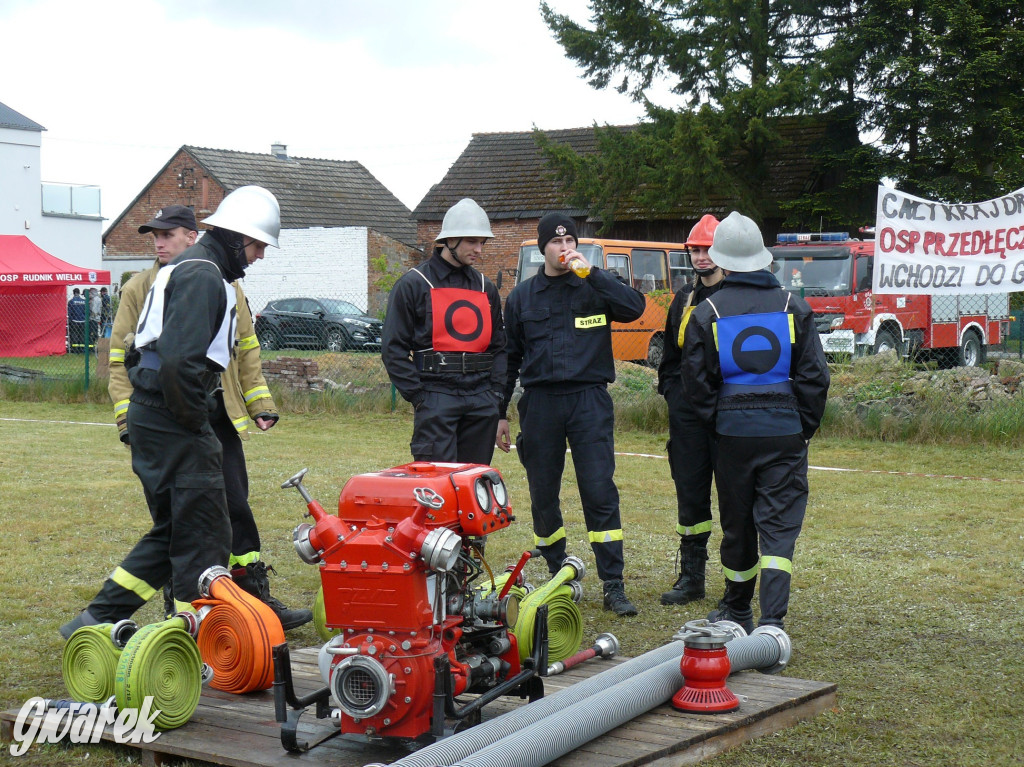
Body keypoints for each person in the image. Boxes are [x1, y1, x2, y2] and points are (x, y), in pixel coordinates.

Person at [60, 186, 296, 639]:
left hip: (154, 413)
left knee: (172, 530)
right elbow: (179, 363)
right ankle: (197, 638)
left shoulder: (192, 269)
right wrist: (195, 425)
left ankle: (95, 619)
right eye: (257, 245)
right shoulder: (204, 276)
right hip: (173, 417)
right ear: (236, 238)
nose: (260, 256)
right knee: (203, 533)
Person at [681, 211, 830, 633]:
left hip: (732, 435)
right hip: (785, 432)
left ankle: (738, 610)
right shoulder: (793, 306)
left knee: (738, 524)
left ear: (721, 260)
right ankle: (773, 620)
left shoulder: (706, 311)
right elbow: (815, 377)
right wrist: (802, 428)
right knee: (779, 529)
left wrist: (718, 424)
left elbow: (696, 384)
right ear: (763, 258)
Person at [496, 213, 646, 616]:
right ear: (542, 248)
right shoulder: (522, 297)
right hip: (540, 403)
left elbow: (634, 308)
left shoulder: (596, 285)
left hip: (588, 401)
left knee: (599, 491)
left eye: (570, 242)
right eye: (556, 243)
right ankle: (557, 571)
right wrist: (500, 413)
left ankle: (613, 584)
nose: (564, 249)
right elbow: (509, 359)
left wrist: (592, 274)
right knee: (543, 492)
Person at [382, 198, 506, 464]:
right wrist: (419, 397)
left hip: (481, 399)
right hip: (435, 396)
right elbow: (393, 349)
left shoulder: (486, 288)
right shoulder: (413, 284)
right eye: (472, 241)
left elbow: (499, 347)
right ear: (450, 240)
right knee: (437, 480)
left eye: (482, 242)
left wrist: (495, 394)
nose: (479, 249)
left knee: (473, 481)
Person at [657, 214, 724, 606]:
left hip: (727, 412)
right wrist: (674, 396)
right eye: (695, 250)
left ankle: (737, 583)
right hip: (687, 416)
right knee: (691, 496)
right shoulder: (683, 297)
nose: (701, 257)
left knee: (734, 498)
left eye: (708, 249)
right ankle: (692, 578)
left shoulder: (737, 296)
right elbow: (669, 358)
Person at [67, 288, 86, 352]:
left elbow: (69, 312)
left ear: (74, 293)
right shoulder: (84, 301)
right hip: (83, 321)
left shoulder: (71, 302)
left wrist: (71, 320)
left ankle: (75, 349)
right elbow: (87, 312)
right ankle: (82, 349)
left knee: (74, 335)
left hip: (74, 321)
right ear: (79, 293)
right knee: (82, 335)